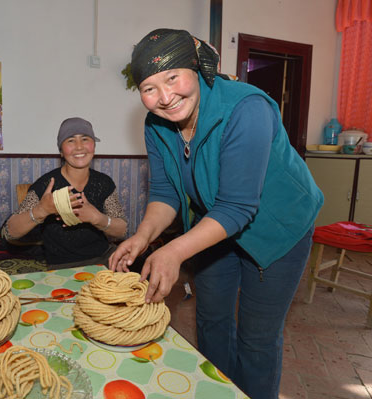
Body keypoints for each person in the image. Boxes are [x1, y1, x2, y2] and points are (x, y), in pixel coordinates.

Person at [109, 29, 323, 399]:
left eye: (172, 77)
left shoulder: (245, 109)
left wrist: (173, 251)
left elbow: (239, 206)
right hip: (213, 225)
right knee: (211, 320)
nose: (164, 97)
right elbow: (164, 192)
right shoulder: (156, 125)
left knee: (256, 338)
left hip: (277, 229)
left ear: (194, 67)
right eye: (149, 87)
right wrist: (142, 238)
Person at [2, 117, 127, 269]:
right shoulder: (46, 185)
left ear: (94, 146)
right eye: (70, 140)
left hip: (104, 259)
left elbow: (122, 230)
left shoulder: (104, 183)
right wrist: (42, 210)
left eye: (85, 139)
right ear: (61, 151)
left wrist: (97, 218)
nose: (79, 147)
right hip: (63, 267)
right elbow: (9, 233)